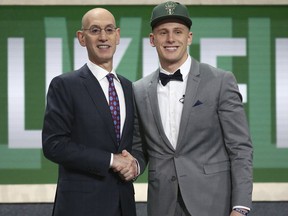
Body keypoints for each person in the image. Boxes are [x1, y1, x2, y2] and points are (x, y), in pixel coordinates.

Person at [131, 1, 253, 216]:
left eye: (178, 32)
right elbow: (140, 148)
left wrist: (240, 206)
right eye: (163, 32)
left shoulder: (220, 80)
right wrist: (131, 166)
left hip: (213, 203)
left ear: (189, 37)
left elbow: (240, 147)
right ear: (152, 39)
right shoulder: (138, 90)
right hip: (162, 205)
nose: (170, 39)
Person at [42, 8, 137, 216]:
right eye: (95, 30)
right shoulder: (64, 85)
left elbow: (136, 141)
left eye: (109, 30)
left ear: (118, 35)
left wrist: (135, 165)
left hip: (124, 206)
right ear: (82, 38)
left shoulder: (130, 88)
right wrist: (111, 160)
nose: (103, 37)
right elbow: (54, 145)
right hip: (80, 207)